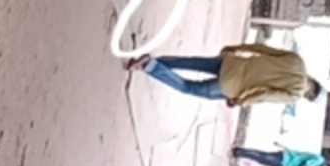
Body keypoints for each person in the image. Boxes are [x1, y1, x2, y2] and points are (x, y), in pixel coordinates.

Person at [135, 43, 317, 105]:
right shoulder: (294, 95)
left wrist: (236, 48)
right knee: (188, 87)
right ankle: (150, 66)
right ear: (309, 95)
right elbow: (264, 94)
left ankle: (152, 60)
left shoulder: (297, 61)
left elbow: (261, 49)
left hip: (232, 63)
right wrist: (240, 101)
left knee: (191, 62)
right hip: (230, 87)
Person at [233, 146, 328, 166]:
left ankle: (241, 151)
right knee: (262, 158)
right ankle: (239, 152)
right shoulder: (319, 161)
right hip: (286, 162)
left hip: (286, 157)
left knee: (263, 155)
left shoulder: (319, 161)